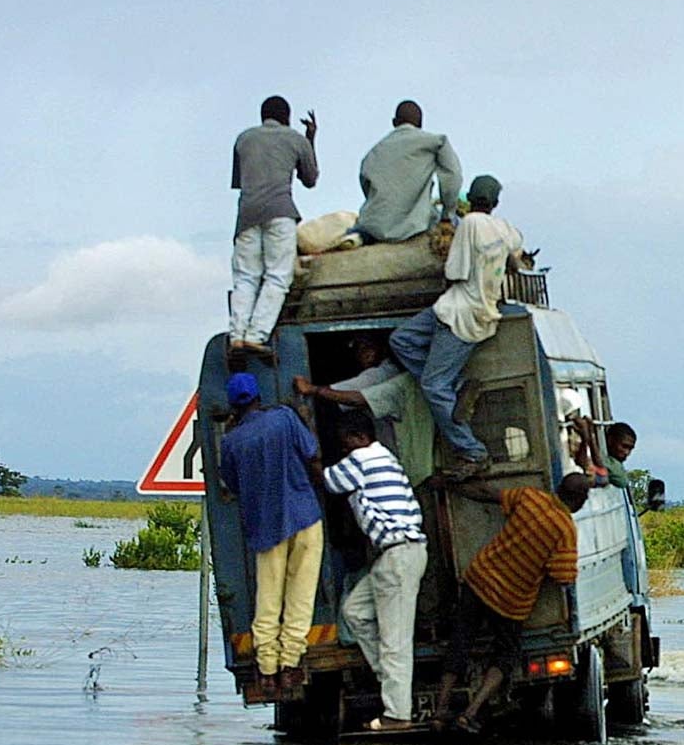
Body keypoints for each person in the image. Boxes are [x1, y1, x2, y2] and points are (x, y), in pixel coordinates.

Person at [390, 174, 532, 480]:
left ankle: (472, 450)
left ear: (471, 198)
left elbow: (454, 271)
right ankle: (454, 389)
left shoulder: (469, 225)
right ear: (495, 202)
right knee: (402, 340)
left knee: (431, 385)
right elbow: (515, 254)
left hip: (458, 313)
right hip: (474, 310)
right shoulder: (505, 230)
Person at [437, 473, 592, 733]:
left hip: (479, 579)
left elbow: (487, 494)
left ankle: (440, 710)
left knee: (460, 642)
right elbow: (563, 576)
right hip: (510, 599)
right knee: (506, 654)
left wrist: (452, 486)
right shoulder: (565, 530)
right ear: (580, 500)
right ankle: (470, 713)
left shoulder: (531, 497)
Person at [217, 372, 324, 697]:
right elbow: (312, 455)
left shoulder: (231, 441)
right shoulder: (285, 418)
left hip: (265, 527)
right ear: (259, 398)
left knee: (267, 600)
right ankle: (290, 665)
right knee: (301, 596)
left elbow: (232, 485)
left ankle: (266, 672)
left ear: (234, 406)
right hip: (304, 516)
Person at [325, 409, 429, 731]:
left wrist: (309, 457)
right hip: (396, 557)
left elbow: (327, 481)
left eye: (346, 445)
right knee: (355, 611)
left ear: (360, 438)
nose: (345, 451)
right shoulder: (384, 458)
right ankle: (394, 683)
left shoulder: (364, 459)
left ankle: (397, 715)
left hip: (397, 557)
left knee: (394, 642)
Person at [230, 96, 318, 357]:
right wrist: (310, 139)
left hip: (246, 215)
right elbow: (310, 179)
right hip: (280, 213)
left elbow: (240, 183)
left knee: (246, 277)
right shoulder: (295, 138)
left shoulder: (243, 139)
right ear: (287, 117)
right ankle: (256, 335)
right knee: (278, 276)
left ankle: (237, 335)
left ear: (262, 116)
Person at [294, 335, 434, 486]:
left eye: (367, 348)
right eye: (358, 350)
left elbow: (356, 398)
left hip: (407, 465)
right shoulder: (409, 377)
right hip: (417, 465)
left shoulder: (383, 373)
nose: (362, 354)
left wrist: (312, 389)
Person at [355, 100, 462, 244]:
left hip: (373, 226)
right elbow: (453, 177)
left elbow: (367, 190)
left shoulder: (371, 154)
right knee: (462, 228)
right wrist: (447, 215)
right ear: (420, 124)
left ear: (394, 122)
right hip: (415, 226)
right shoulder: (437, 142)